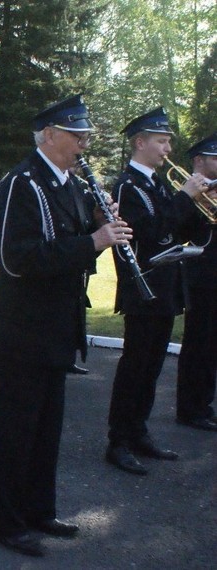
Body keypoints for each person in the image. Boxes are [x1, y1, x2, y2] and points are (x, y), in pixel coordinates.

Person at [0, 95, 132, 557]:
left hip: (56, 325)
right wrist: (94, 239)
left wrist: (98, 226)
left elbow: (68, 245)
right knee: (16, 428)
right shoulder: (21, 183)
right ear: (49, 135)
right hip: (20, 327)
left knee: (48, 427)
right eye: (77, 134)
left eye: (86, 135)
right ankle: (5, 522)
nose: (84, 143)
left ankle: (38, 509)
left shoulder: (71, 183)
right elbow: (16, 258)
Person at [105, 108, 211, 475]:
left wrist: (200, 201)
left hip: (165, 285)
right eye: (162, 141)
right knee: (135, 366)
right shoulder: (128, 186)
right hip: (143, 285)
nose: (168, 148)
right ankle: (118, 440)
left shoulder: (157, 183)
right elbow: (149, 231)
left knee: (151, 367)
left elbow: (178, 229)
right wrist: (185, 197)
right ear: (140, 143)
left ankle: (139, 431)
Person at [176, 133, 217, 432]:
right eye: (214, 158)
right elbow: (181, 229)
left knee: (212, 345)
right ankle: (190, 407)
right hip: (202, 275)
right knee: (198, 343)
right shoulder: (185, 191)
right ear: (199, 160)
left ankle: (204, 403)